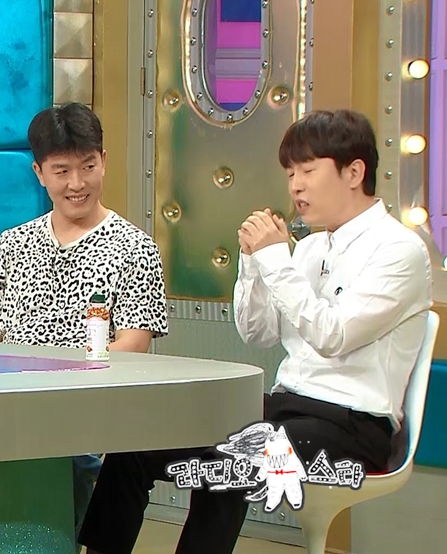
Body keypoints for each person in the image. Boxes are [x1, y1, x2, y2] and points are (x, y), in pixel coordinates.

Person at [77, 109, 433, 554]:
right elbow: (257, 333)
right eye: (290, 173)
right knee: (143, 438)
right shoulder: (310, 248)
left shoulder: (398, 250)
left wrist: (275, 259)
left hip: (354, 425)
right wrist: (251, 264)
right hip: (285, 408)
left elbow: (333, 336)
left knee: (233, 457)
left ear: (354, 172)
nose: (295, 186)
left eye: (308, 171)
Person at [0, 102, 170, 538]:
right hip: (13, 408)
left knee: (64, 463)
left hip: (89, 414)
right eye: (61, 171)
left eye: (88, 167)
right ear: (39, 173)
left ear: (103, 162)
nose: (77, 184)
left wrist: (57, 386)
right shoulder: (9, 245)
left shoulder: (136, 248)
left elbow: (132, 347)